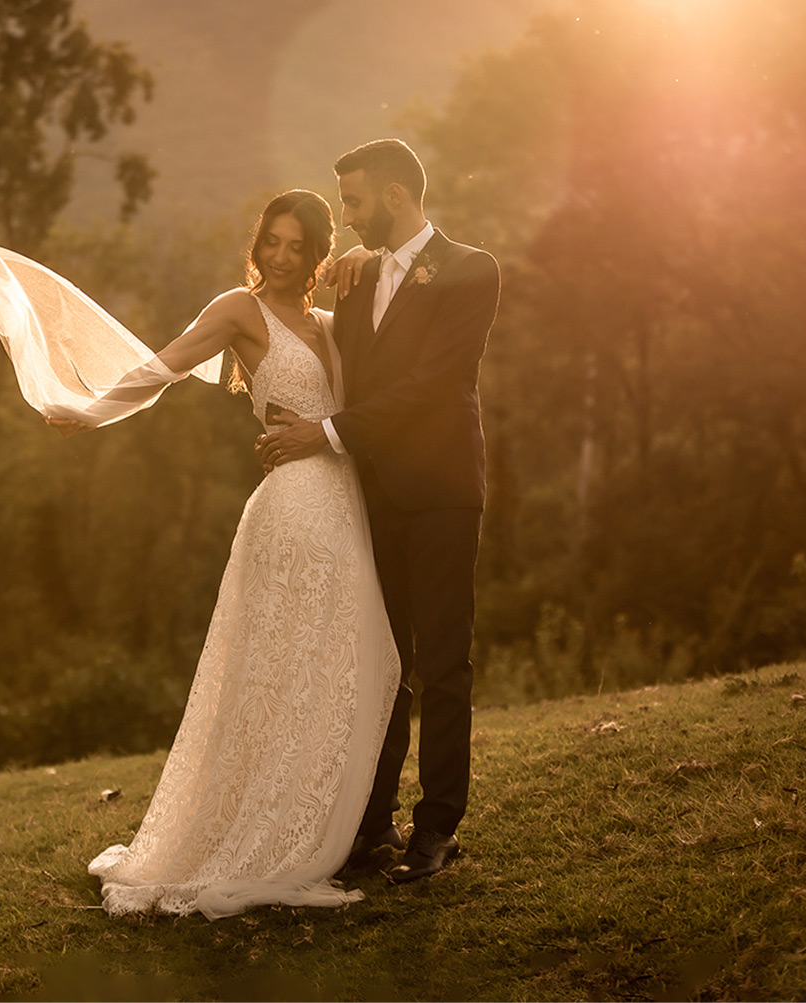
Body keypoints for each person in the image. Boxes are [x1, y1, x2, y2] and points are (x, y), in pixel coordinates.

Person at [47, 189, 402, 917]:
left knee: (339, 665)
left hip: (347, 507)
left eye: (295, 245)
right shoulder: (239, 311)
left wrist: (366, 257)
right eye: (270, 240)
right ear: (258, 243)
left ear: (315, 255)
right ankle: (258, 834)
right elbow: (166, 363)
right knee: (275, 669)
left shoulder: (333, 325)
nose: (278, 256)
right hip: (293, 509)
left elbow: (373, 377)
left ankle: (327, 818)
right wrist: (92, 411)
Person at [257, 139, 501, 884]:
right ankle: (372, 825)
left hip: (441, 492)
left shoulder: (471, 270)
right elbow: (341, 371)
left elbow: (434, 382)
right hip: (373, 496)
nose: (347, 218)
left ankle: (437, 828)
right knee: (382, 666)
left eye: (356, 203)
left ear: (395, 196)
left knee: (444, 662)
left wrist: (324, 435)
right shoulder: (356, 282)